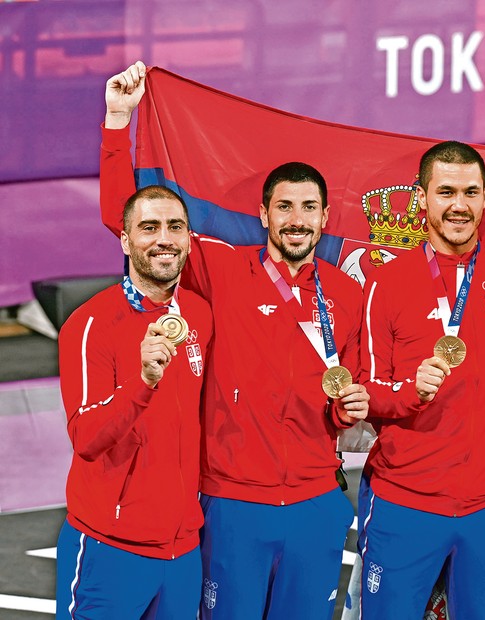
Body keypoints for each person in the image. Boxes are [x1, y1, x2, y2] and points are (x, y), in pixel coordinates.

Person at [100, 61, 369, 619]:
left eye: (310, 208)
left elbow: (352, 394)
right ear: (264, 214)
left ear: (324, 220)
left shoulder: (345, 292)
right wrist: (116, 124)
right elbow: (126, 223)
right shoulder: (219, 268)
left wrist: (350, 408)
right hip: (232, 503)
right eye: (285, 207)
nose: (297, 220)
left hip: (317, 502)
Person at [358, 141, 485, 619]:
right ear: (422, 198)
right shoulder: (387, 281)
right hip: (407, 504)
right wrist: (411, 392)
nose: (459, 205)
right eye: (445, 192)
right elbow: (369, 390)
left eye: (470, 192)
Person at [56, 185, 213, 618]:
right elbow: (86, 437)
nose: (164, 238)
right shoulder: (91, 324)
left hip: (182, 549)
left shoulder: (199, 314)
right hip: (111, 546)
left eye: (175, 227)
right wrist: (143, 382)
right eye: (149, 227)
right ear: (125, 240)